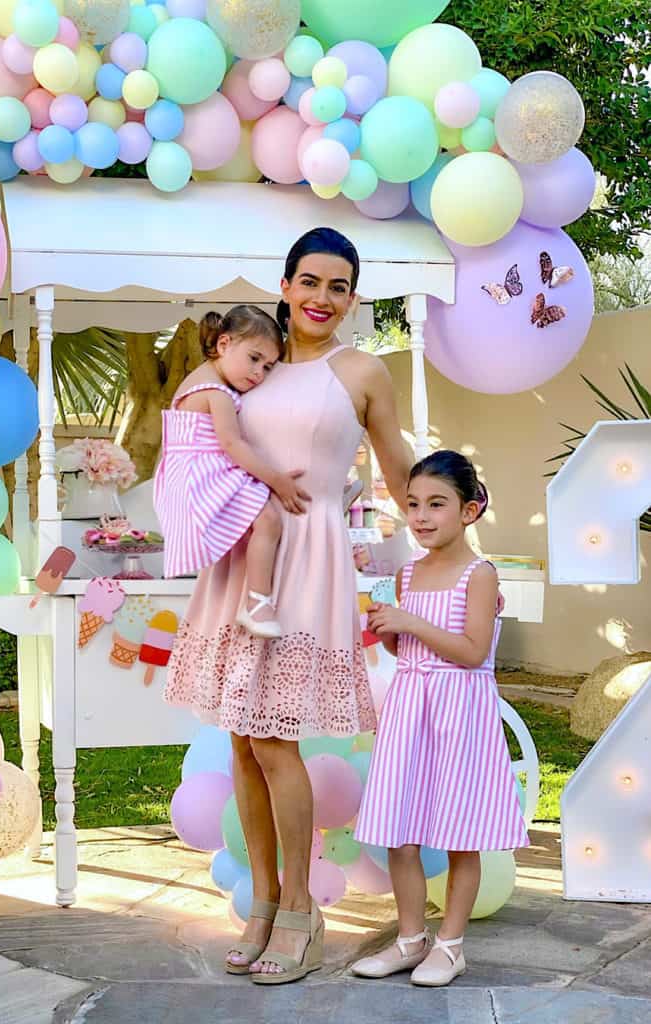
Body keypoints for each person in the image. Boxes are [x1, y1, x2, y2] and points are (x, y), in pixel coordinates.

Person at [163, 227, 412, 984]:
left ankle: (302, 909)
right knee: (241, 739)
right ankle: (264, 902)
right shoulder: (248, 367)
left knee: (274, 740)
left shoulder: (361, 370)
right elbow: (197, 438)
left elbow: (400, 466)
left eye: (338, 286)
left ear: (353, 297)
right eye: (310, 281)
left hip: (309, 562)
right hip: (244, 556)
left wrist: (441, 531)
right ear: (284, 284)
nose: (321, 299)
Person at [352, 451, 529, 988]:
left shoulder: (479, 573)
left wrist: (410, 621)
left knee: (458, 832)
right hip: (411, 706)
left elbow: (473, 651)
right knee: (399, 832)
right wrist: (390, 629)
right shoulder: (407, 574)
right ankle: (410, 938)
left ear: (470, 510)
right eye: (412, 505)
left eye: (437, 504)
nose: (422, 517)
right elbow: (409, 646)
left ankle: (450, 946)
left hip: (459, 711)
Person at [154, 304, 307, 638]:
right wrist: (276, 480)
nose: (259, 374)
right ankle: (257, 602)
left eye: (267, 367)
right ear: (223, 344)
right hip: (203, 473)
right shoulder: (216, 392)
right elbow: (233, 445)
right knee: (269, 521)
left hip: (196, 469)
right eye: (254, 359)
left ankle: (254, 598)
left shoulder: (205, 378)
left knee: (260, 523)